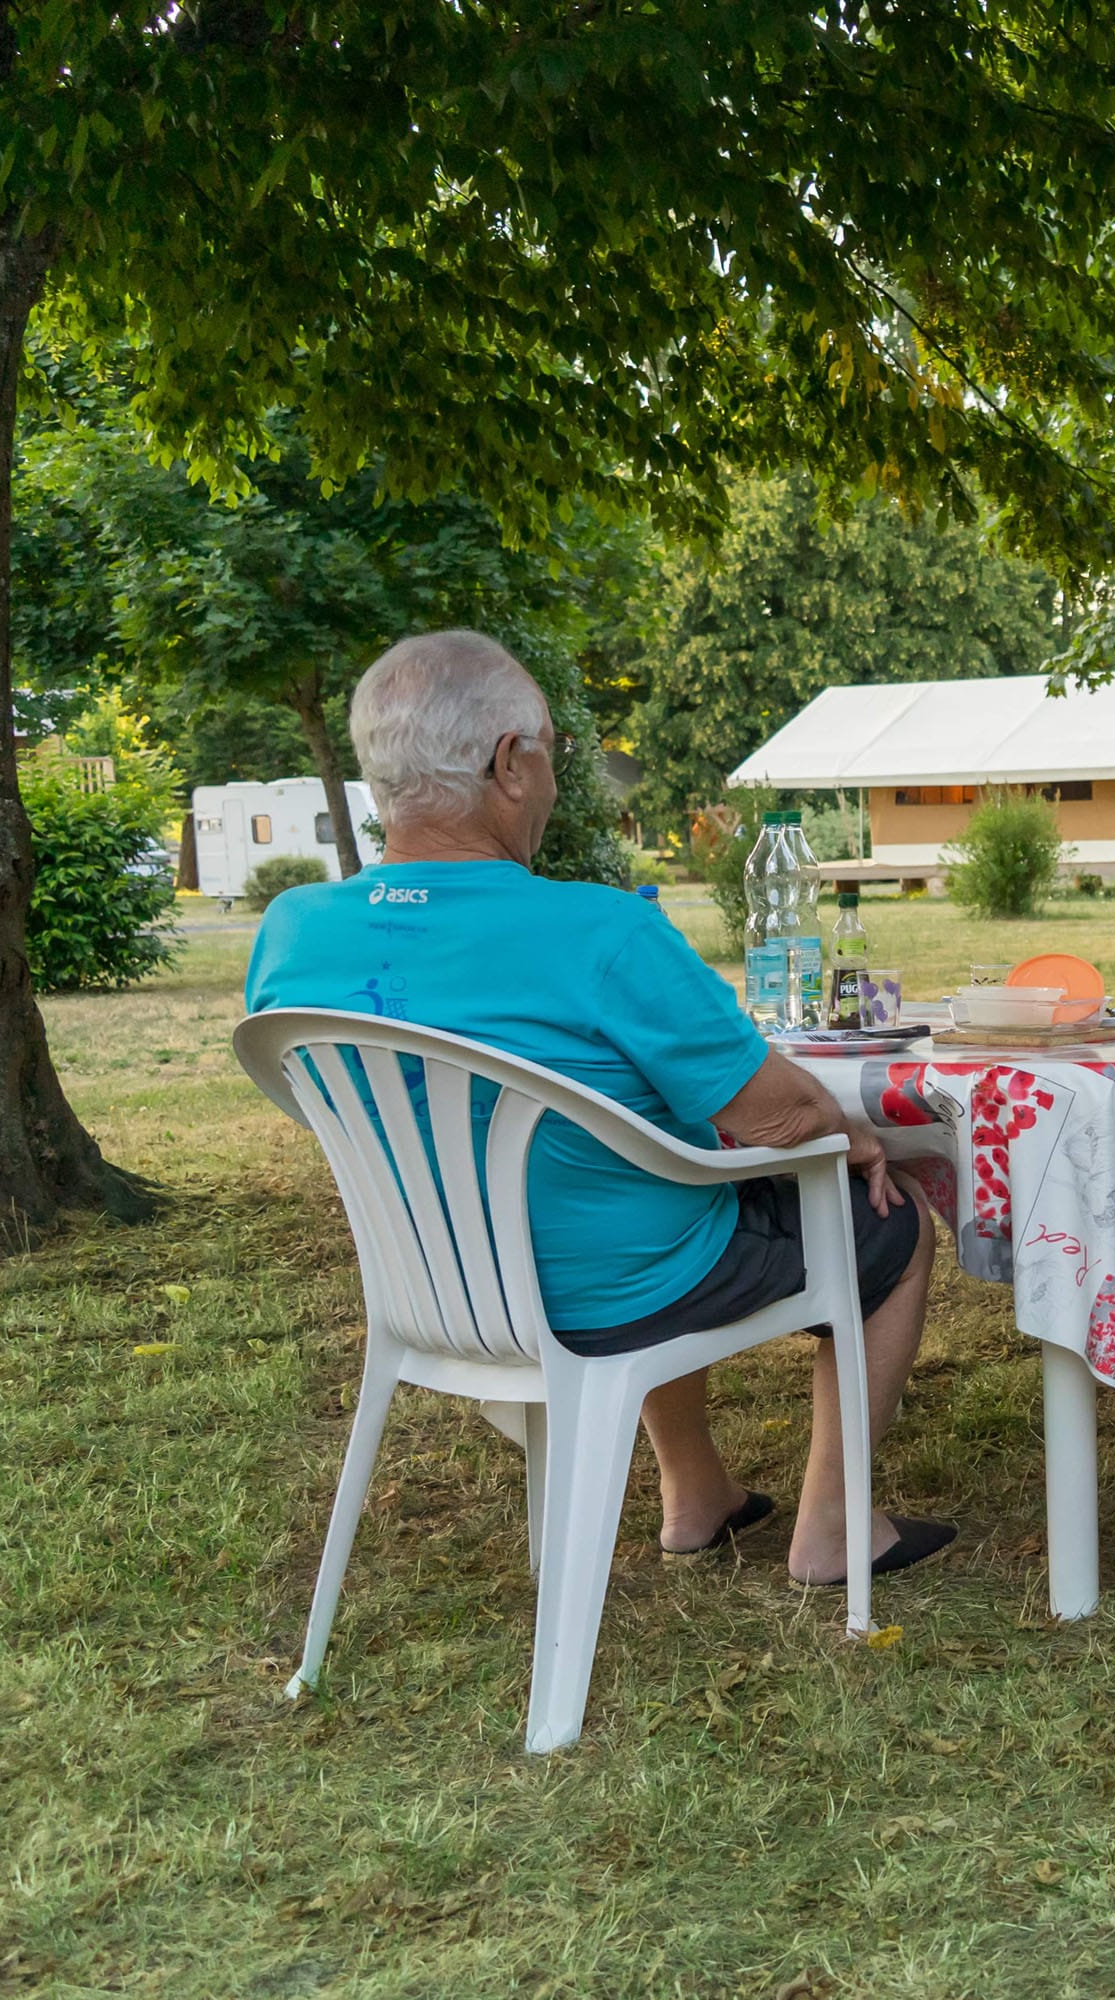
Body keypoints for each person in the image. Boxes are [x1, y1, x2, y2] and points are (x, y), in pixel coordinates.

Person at [245, 630, 952, 1586]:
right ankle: (835, 1530)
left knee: (644, 1166)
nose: (548, 776)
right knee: (890, 1224)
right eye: (549, 751)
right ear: (508, 764)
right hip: (621, 1289)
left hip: (440, 1289)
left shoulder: (292, 930)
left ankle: (697, 1497)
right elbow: (780, 1117)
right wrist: (861, 1140)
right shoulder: (601, 930)